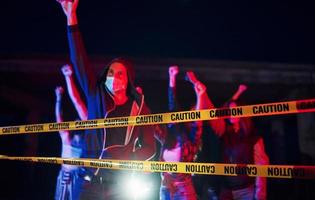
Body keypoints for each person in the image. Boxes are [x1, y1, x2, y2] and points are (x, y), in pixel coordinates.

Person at [57, 0, 156, 199]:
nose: (114, 77)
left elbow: (149, 146)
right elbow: (79, 60)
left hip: (120, 186)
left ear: (128, 78)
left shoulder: (139, 107)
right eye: (111, 72)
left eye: (120, 73)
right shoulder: (96, 94)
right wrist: (71, 16)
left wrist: (130, 160)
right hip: (88, 182)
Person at [204, 84, 270, 200]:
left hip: (246, 191)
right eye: (229, 110)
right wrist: (237, 93)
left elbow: (262, 167)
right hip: (227, 190)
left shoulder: (252, 137)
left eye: (235, 110)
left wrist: (260, 196)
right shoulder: (225, 132)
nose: (231, 113)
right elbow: (218, 113)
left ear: (242, 112)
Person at [155, 66, 207, 200]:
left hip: (184, 188)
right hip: (166, 185)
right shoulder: (171, 131)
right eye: (190, 113)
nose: (191, 116)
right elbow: (173, 106)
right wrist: (172, 78)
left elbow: (199, 120)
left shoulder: (191, 138)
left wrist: (200, 96)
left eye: (193, 114)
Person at [54, 64, 87, 200]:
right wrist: (59, 99)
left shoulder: (88, 138)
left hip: (79, 175)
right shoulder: (67, 137)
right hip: (65, 174)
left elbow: (78, 103)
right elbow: (59, 120)